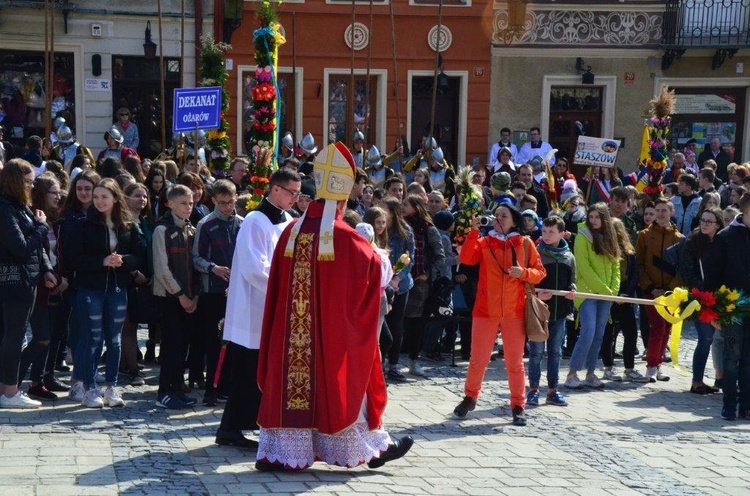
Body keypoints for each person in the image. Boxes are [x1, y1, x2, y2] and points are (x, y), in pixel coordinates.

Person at [255, 142, 413, 471]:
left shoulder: (291, 231)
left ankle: (280, 453)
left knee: (292, 385)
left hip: (291, 337)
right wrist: (382, 257)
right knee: (345, 378)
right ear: (341, 199)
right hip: (328, 334)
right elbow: (375, 270)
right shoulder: (343, 235)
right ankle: (370, 450)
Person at [216, 169, 299, 447]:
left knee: (260, 370)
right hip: (252, 309)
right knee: (245, 370)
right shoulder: (255, 221)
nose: (295, 198)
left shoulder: (288, 220)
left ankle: (242, 426)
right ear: (275, 189)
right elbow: (255, 269)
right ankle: (230, 429)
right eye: (292, 192)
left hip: (273, 307)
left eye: (298, 193)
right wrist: (285, 289)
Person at [453, 203, 545, 426]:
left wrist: (522, 272)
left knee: (514, 362)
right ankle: (470, 397)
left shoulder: (525, 243)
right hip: (485, 310)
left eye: (504, 215)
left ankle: (518, 405)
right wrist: (473, 232)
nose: (498, 218)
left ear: (514, 220)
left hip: (514, 311)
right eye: (496, 215)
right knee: (477, 360)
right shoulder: (485, 241)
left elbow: (540, 273)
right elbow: (466, 259)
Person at [68, 178, 144, 408]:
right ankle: (89, 388)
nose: (99, 201)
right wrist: (101, 261)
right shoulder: (84, 224)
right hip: (91, 288)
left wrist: (124, 261)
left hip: (118, 288)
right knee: (93, 338)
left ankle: (111, 387)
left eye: (104, 197)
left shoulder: (128, 225)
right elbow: (74, 259)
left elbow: (140, 256)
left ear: (115, 198)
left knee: (114, 340)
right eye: (97, 196)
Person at [0, 159, 57, 408]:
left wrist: (46, 269)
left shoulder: (19, 206)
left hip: (27, 278)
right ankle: (10, 392)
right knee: (13, 336)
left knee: (13, 335)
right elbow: (22, 247)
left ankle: (7, 388)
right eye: (28, 181)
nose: (32, 186)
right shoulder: (5, 207)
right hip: (14, 281)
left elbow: (34, 250)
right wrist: (42, 227)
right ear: (15, 181)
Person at [17, 174, 68, 401]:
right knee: (41, 337)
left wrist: (62, 279)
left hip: (57, 283)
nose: (58, 197)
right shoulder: (31, 217)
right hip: (37, 284)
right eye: (53, 193)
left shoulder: (59, 219)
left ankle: (37, 382)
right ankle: (12, 381)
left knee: (51, 336)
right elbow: (32, 252)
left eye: (59, 192)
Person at [192, 180, 243, 407]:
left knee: (234, 341)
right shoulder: (206, 224)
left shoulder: (242, 223)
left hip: (237, 291)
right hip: (213, 291)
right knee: (215, 342)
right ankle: (211, 390)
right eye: (223, 203)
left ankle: (227, 387)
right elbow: (196, 258)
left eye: (231, 202)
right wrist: (214, 268)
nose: (228, 207)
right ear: (213, 200)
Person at [152, 184, 201, 409]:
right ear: (170, 204)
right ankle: (165, 391)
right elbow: (162, 269)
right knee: (171, 345)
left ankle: (177, 387)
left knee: (183, 345)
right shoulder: (162, 230)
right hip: (170, 297)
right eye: (183, 203)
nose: (188, 207)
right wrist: (181, 295)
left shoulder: (190, 228)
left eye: (190, 203)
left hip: (189, 297)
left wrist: (194, 297)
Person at [564, 203, 620, 390]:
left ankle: (590, 373)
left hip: (606, 294)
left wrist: (613, 289)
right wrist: (604, 289)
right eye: (591, 216)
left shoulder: (611, 238)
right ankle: (572, 373)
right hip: (587, 291)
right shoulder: (582, 237)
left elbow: (616, 266)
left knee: (599, 334)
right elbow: (584, 267)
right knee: (588, 331)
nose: (594, 220)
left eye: (598, 217)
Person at [704, 193, 750, 420]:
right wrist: (712, 311)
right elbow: (712, 276)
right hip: (732, 308)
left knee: (749, 359)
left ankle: (747, 405)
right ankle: (729, 404)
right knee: (732, 357)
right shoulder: (725, 237)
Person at [529, 216, 576, 407]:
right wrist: (537, 296)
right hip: (539, 311)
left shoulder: (569, 256)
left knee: (555, 352)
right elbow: (528, 283)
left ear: (562, 234)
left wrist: (572, 290)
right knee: (536, 353)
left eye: (551, 232)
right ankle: (533, 390)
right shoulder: (536, 253)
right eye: (544, 231)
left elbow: (572, 279)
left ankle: (552, 390)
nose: (546, 235)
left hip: (560, 311)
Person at [636, 197, 683, 383]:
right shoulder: (645, 235)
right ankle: (651, 366)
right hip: (651, 291)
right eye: (658, 210)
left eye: (665, 210)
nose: (661, 214)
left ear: (671, 212)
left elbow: (681, 269)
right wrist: (649, 286)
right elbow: (639, 264)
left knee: (667, 329)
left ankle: (659, 364)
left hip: (671, 293)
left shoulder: (679, 238)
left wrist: (670, 290)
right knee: (658, 328)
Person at [679, 206, 724, 395]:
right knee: (705, 338)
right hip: (699, 298)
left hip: (719, 296)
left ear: (718, 225)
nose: (704, 224)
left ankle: (721, 378)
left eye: (709, 221)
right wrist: (703, 292)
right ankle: (696, 381)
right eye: (702, 220)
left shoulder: (722, 241)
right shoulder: (692, 242)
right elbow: (687, 272)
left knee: (719, 339)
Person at [600, 218, 649, 383]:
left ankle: (629, 368)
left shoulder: (629, 251)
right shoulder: (603, 249)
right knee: (608, 333)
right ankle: (608, 367)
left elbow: (635, 274)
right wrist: (613, 294)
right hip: (609, 295)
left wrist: (627, 293)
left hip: (625, 296)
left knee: (631, 332)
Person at [401, 194, 445, 377]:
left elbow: (440, 257)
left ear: (416, 207)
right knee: (399, 321)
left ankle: (414, 360)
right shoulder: (401, 227)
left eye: (406, 204)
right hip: (402, 280)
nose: (403, 207)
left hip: (420, 284)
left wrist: (427, 274)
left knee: (416, 323)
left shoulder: (428, 229)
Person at [121, 182, 153, 386]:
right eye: (136, 196)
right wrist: (135, 272)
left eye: (144, 196)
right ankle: (132, 370)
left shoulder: (145, 221)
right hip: (127, 280)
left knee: (134, 323)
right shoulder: (123, 222)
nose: (141, 200)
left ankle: (127, 363)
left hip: (144, 281)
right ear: (126, 198)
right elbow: (124, 252)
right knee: (129, 326)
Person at [380, 196, 415, 382]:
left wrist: (397, 278)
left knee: (396, 324)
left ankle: (393, 364)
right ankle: (380, 363)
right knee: (382, 325)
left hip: (400, 285)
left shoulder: (405, 231)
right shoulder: (379, 227)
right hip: (381, 284)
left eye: (384, 209)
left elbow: (410, 258)